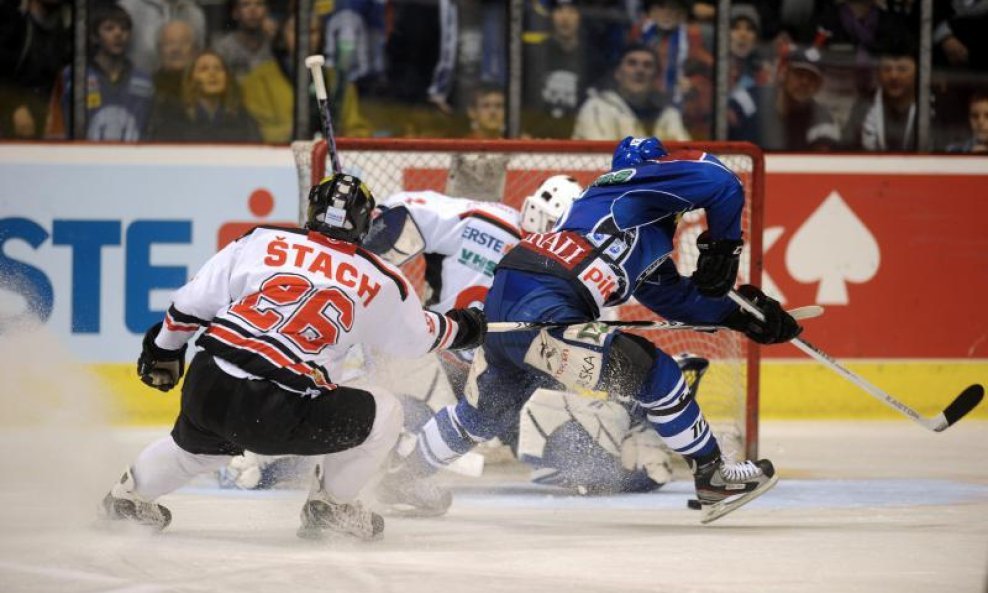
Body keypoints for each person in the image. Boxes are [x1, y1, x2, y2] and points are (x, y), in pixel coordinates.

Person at [382, 136, 802, 523]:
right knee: (653, 371)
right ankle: (714, 475)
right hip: (544, 298)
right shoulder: (629, 184)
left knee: (482, 414)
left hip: (514, 292)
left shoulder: (640, 238)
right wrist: (723, 248)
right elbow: (721, 182)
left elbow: (680, 300)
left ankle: (403, 478)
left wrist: (745, 315)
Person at [98, 173, 487, 540]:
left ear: (311, 210)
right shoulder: (382, 278)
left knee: (194, 451)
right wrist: (464, 326)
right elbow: (415, 340)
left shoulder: (261, 239)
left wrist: (163, 349)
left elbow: (189, 305)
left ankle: (126, 498)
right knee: (386, 411)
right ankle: (331, 508)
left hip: (208, 380)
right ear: (366, 224)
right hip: (276, 411)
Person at [45, 4, 154, 141]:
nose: (118, 34)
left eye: (124, 28)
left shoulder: (144, 81)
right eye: (109, 28)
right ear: (94, 36)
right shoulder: (72, 76)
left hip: (133, 160)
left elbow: (151, 130)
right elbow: (56, 129)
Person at [522, 0, 608, 139]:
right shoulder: (534, 55)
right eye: (559, 11)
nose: (565, 18)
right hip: (537, 137)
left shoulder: (593, 58)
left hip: (580, 138)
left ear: (580, 16)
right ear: (551, 16)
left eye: (571, 11)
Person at [729, 45, 839, 150]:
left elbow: (822, 162)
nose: (805, 82)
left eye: (812, 78)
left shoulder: (823, 119)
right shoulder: (749, 101)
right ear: (785, 73)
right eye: (799, 74)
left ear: (819, 85)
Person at [572, 44, 690, 141]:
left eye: (647, 65)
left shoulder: (668, 115)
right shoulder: (596, 108)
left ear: (655, 77)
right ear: (618, 73)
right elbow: (602, 160)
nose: (640, 70)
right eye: (632, 63)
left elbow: (686, 159)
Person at [147, 50, 261, 142]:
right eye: (204, 69)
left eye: (218, 69)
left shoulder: (243, 119)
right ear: (191, 79)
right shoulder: (172, 118)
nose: (213, 74)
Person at [841, 38, 917, 151]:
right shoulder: (864, 105)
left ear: (916, 74)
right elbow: (846, 148)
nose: (894, 76)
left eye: (902, 69)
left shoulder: (932, 108)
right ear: (878, 74)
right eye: (887, 69)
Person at [211, 0, 274, 80]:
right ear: (235, 13)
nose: (253, 10)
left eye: (259, 4)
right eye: (245, 5)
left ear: (267, 11)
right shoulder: (223, 49)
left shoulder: (275, 45)